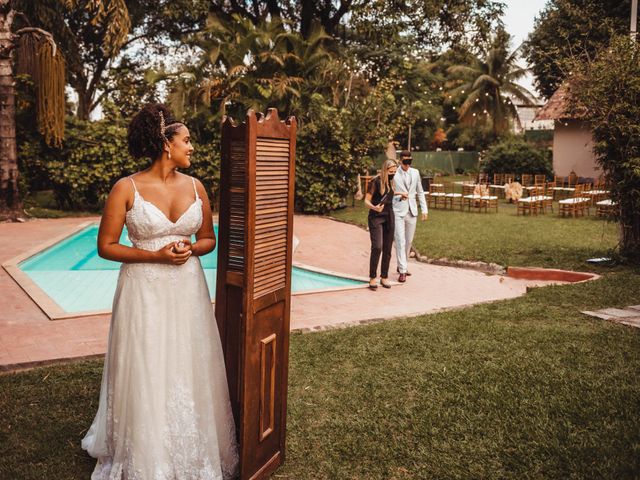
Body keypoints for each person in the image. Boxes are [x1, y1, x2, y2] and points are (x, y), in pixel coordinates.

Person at [82, 104, 239, 479]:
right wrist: (154, 256)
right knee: (147, 360)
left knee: (189, 358)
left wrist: (189, 249)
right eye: (187, 140)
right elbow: (106, 246)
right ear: (166, 144)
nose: (192, 147)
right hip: (143, 290)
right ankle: (145, 453)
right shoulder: (126, 188)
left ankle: (194, 444)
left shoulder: (196, 187)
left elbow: (207, 239)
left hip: (187, 287)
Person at [364, 158, 406, 290]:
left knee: (387, 248)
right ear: (385, 170)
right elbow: (366, 201)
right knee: (377, 246)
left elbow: (389, 195)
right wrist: (374, 208)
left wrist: (400, 195)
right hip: (376, 217)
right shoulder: (375, 182)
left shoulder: (391, 182)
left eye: (394, 171)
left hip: (389, 216)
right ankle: (372, 277)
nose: (393, 173)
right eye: (391, 171)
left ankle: (384, 277)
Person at [393, 150, 428, 282]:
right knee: (400, 241)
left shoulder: (415, 173)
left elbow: (420, 191)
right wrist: (399, 195)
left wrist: (424, 210)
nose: (407, 164)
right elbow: (390, 191)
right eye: (405, 161)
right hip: (398, 211)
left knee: (409, 241)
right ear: (400, 160)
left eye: (410, 161)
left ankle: (402, 264)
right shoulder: (394, 173)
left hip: (412, 211)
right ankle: (402, 271)